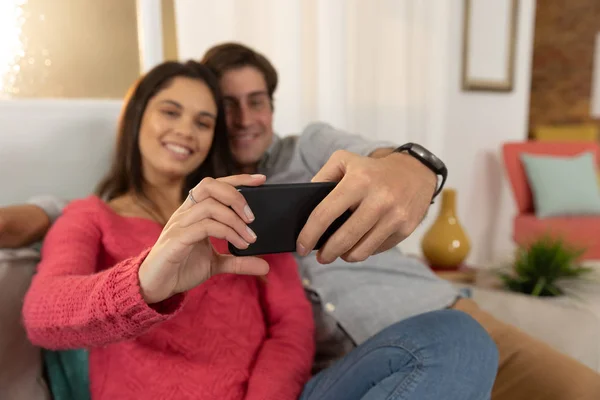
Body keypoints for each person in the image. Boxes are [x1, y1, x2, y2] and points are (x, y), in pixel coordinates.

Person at [5, 41, 599, 398]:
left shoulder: (248, 201)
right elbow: (46, 310)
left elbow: (291, 329)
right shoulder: (89, 214)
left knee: (462, 341)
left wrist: (412, 167)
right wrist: (144, 279)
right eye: (170, 111)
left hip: (335, 370)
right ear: (135, 118)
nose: (188, 130)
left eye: (204, 119)